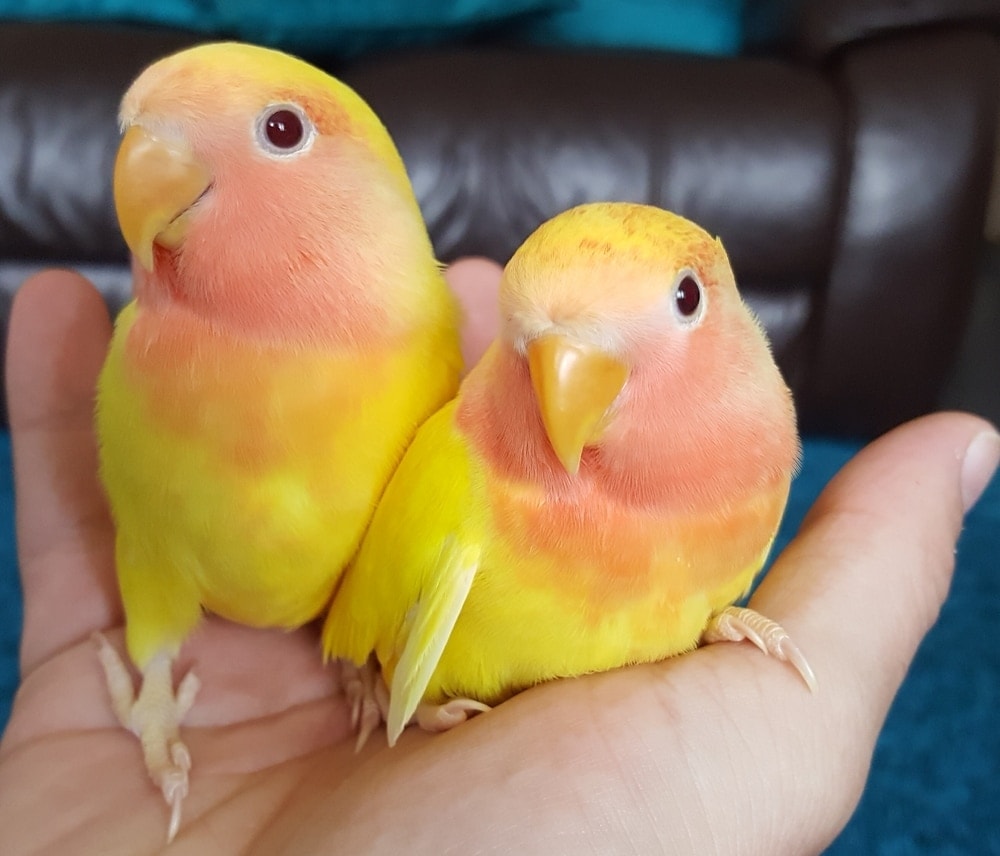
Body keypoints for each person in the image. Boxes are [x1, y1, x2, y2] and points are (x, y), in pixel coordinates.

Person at [0, 263, 996, 855]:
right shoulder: (463, 476)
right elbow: (371, 629)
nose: (575, 374)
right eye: (534, 349)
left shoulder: (761, 446)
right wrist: (379, 673)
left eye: (682, 299)